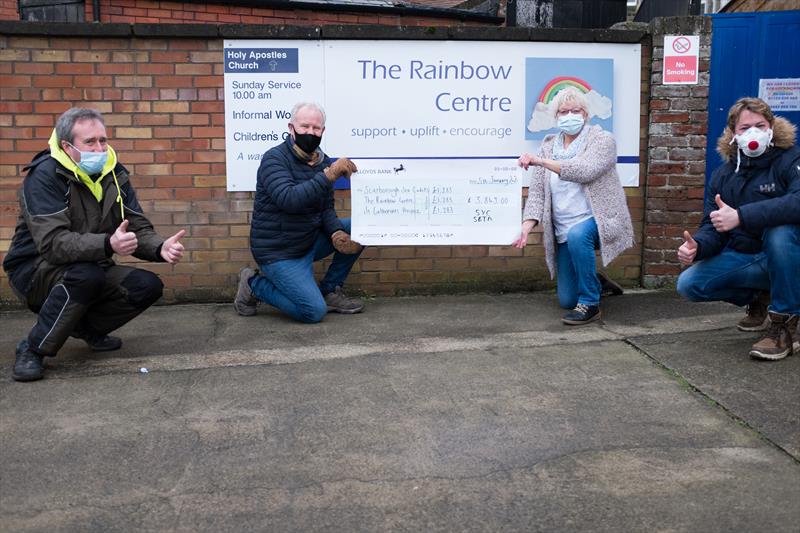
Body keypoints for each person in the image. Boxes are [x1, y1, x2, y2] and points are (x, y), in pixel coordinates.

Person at [3, 107, 186, 381]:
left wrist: (159, 247)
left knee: (145, 286)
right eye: (89, 142)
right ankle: (32, 348)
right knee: (85, 275)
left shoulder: (114, 173)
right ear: (67, 146)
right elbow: (53, 243)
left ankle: (83, 327)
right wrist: (108, 244)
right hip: (35, 270)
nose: (99, 148)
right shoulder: (44, 176)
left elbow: (134, 225)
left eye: (103, 140)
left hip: (90, 264)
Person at [677, 97, 800, 361]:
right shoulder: (724, 174)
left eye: (761, 124)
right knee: (690, 284)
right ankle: (761, 296)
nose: (753, 132)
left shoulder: (791, 159)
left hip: (789, 254)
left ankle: (786, 326)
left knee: (779, 232)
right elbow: (713, 223)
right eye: (745, 128)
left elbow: (797, 201)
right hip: (750, 257)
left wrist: (741, 216)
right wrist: (697, 246)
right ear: (734, 133)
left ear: (771, 128)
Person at [234, 102, 364, 323]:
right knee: (312, 312)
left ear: (323, 131)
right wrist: (328, 175)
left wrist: (335, 233)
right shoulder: (274, 159)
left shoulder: (323, 161)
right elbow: (289, 200)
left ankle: (330, 290)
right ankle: (253, 284)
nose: (310, 133)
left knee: (361, 227)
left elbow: (325, 209)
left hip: (308, 240)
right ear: (291, 127)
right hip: (279, 252)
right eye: (305, 126)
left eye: (316, 128)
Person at [514, 87, 634, 325]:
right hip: (563, 228)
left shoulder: (602, 140)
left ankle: (590, 303)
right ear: (556, 117)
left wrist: (540, 161)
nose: (570, 115)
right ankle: (597, 281)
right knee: (567, 300)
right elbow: (537, 194)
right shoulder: (548, 146)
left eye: (575, 110)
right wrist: (526, 227)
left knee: (578, 234)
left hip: (598, 220)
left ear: (586, 114)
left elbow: (584, 171)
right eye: (563, 111)